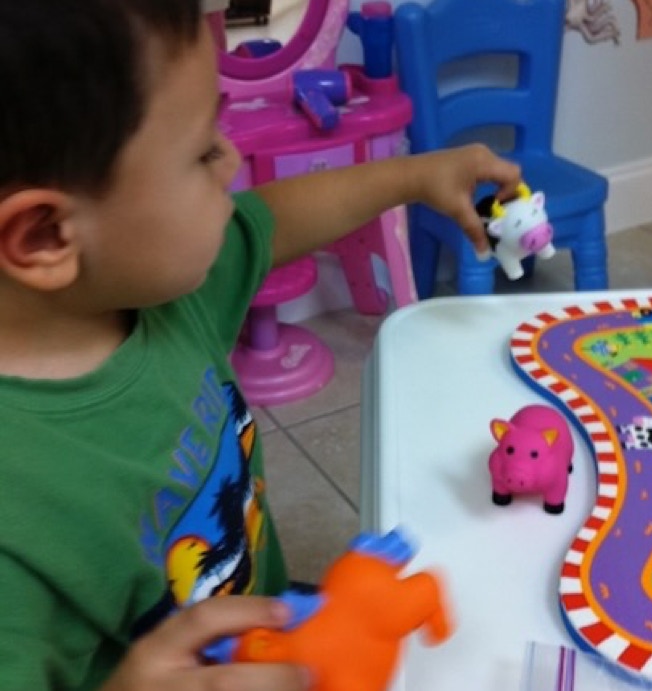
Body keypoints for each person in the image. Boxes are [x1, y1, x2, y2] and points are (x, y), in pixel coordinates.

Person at [0, 1, 521, 689]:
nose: (234, 158)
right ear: (45, 236)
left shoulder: (153, 293)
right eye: (202, 150)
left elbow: (270, 221)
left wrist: (415, 176)